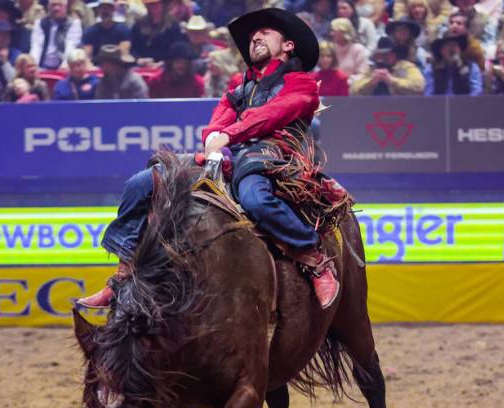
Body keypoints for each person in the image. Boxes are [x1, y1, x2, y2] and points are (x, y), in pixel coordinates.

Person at [79, 8, 340, 310]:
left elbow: (272, 115)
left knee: (255, 198)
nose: (255, 36)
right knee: (141, 183)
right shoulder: (239, 89)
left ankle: (313, 256)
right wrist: (214, 143)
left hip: (274, 154)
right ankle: (125, 273)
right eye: (253, 35)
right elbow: (217, 122)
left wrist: (228, 137)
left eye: (265, 32)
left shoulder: (302, 83)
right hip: (232, 153)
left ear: (288, 45)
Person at [350, 36, 425, 95]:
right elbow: (353, 91)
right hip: (373, 108)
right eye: (380, 55)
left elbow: (419, 87)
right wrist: (371, 82)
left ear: (394, 54)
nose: (382, 58)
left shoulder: (406, 67)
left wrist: (391, 80)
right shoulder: (370, 69)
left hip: (401, 107)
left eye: (386, 55)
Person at [30, 0, 83, 70]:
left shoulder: (74, 24)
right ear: (48, 7)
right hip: (41, 67)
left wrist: (65, 65)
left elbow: (71, 47)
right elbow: (36, 46)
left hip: (63, 67)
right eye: (53, 5)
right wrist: (33, 65)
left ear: (65, 8)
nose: (56, 8)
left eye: (60, 5)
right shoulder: (40, 23)